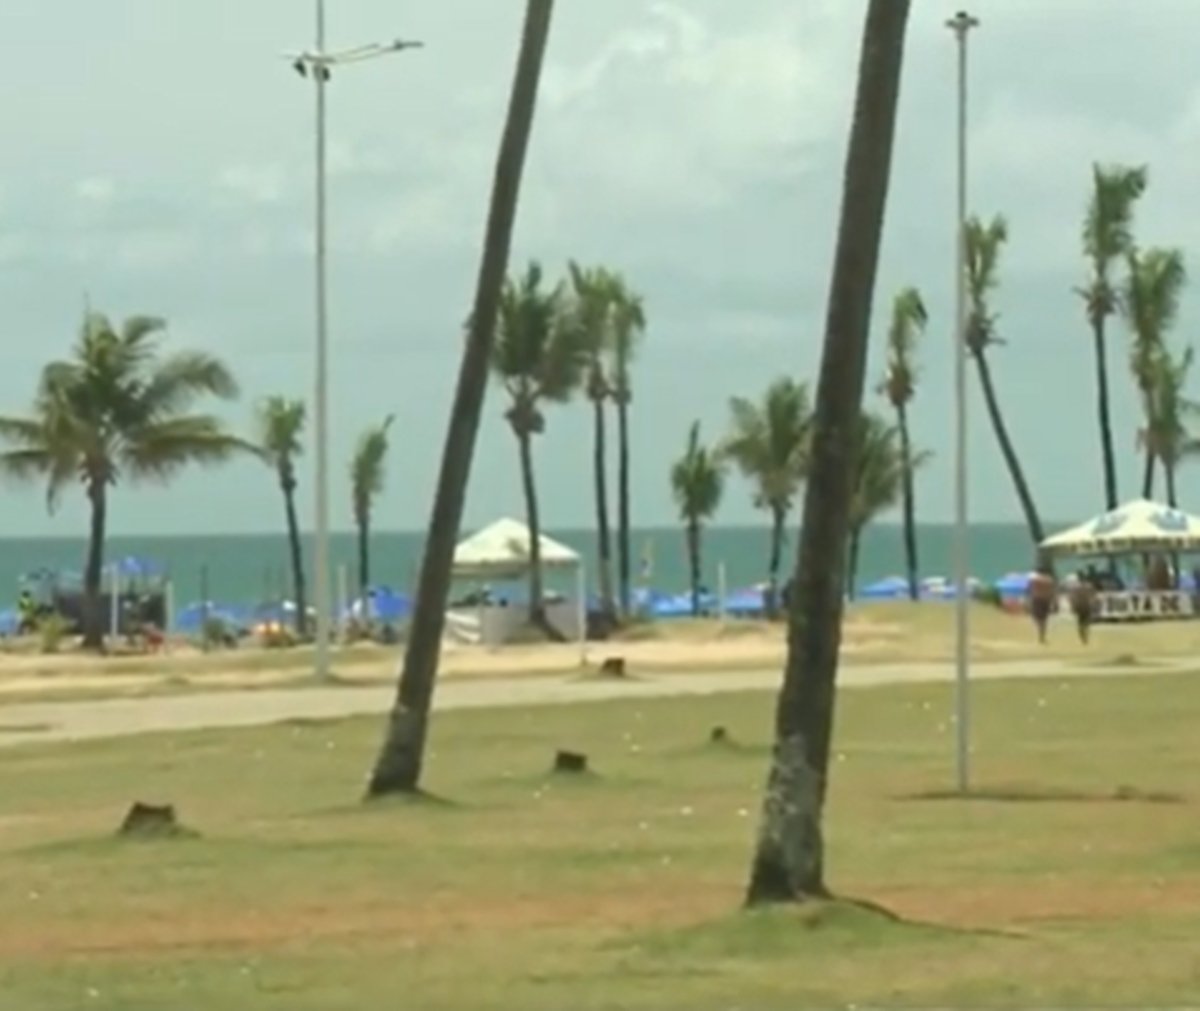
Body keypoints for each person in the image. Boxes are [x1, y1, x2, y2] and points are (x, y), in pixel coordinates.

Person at [1027, 561, 1057, 645]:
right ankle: (1042, 636)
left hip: (1037, 599)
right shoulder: (1049, 580)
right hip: (1046, 599)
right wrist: (1055, 602)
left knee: (1036, 617)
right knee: (1044, 619)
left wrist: (1028, 599)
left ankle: (1040, 633)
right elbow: (1053, 592)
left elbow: (1029, 589)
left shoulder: (1034, 579)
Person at [1068, 576, 1098, 644]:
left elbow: (1072, 597)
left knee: (1080, 622)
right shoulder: (1089, 586)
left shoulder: (1076, 587)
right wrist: (1093, 604)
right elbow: (1093, 596)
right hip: (1087, 605)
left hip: (1079, 605)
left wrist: (1072, 606)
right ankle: (1085, 636)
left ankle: (1082, 636)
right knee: (1086, 622)